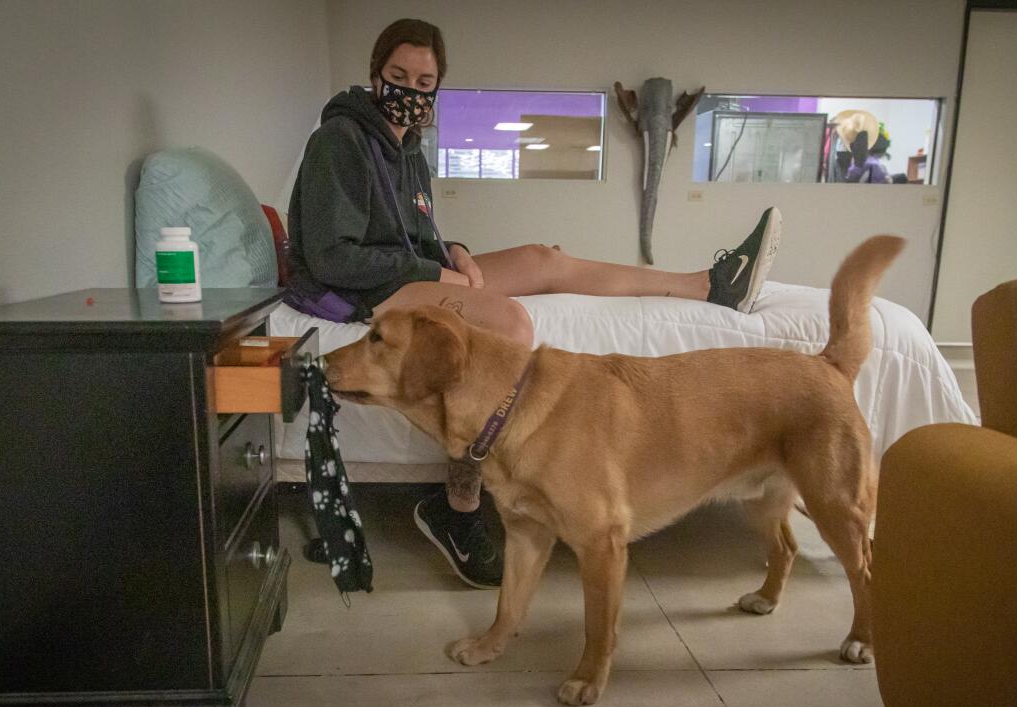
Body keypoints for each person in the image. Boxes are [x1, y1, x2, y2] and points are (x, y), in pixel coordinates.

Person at [287, 18, 783, 589]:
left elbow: (418, 236)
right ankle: (459, 506)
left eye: (424, 82)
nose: (410, 92)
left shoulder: (408, 150)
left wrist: (458, 253)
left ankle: (708, 284)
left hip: (403, 270)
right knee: (508, 322)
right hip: (359, 289)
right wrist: (439, 273)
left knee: (545, 258)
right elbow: (332, 258)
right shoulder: (339, 142)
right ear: (375, 75)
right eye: (398, 77)